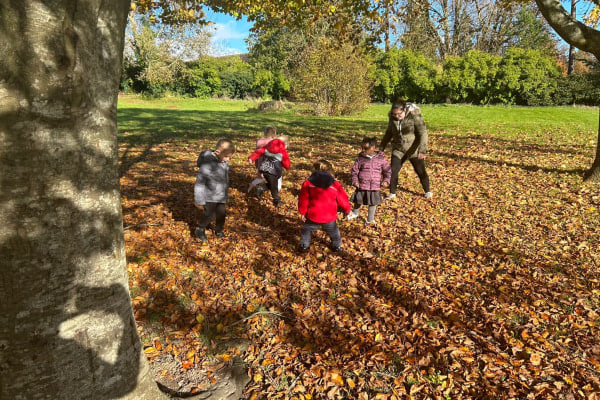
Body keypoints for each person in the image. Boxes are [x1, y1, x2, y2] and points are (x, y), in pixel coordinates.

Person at [380, 100, 432, 199]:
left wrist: (422, 150)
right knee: (393, 170)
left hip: (413, 149)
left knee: (420, 171)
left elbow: (423, 133)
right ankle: (392, 193)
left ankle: (427, 191)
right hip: (398, 148)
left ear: (405, 110)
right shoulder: (392, 118)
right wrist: (382, 146)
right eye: (394, 114)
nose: (397, 116)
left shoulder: (414, 116)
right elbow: (389, 133)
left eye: (399, 114)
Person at [297, 159, 351, 253]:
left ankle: (304, 246)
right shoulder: (335, 184)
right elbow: (343, 199)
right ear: (330, 170)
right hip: (329, 216)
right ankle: (336, 246)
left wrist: (302, 212)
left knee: (306, 229)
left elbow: (303, 199)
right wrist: (347, 210)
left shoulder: (308, 184)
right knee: (334, 232)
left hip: (313, 215)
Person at [194, 139, 235, 243]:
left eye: (229, 157)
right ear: (217, 152)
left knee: (221, 213)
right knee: (210, 214)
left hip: (220, 194)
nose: (227, 159)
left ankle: (219, 230)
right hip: (210, 195)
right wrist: (199, 198)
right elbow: (200, 181)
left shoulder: (223, 160)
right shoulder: (208, 163)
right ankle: (200, 228)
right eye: (226, 156)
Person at [348, 137, 391, 225]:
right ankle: (355, 213)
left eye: (366, 148)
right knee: (358, 200)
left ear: (373, 147)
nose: (364, 150)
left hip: (375, 185)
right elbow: (354, 171)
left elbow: (387, 170)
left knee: (373, 203)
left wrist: (386, 180)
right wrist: (355, 181)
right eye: (362, 148)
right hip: (362, 184)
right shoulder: (360, 159)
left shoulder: (381, 159)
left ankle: (370, 219)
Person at [248, 136, 290, 207]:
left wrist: (252, 158)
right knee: (274, 187)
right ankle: (276, 200)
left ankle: (261, 188)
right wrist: (287, 167)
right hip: (273, 172)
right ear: (284, 144)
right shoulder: (282, 151)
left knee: (272, 184)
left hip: (264, 169)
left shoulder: (267, 147)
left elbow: (259, 151)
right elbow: (286, 161)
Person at [248, 126, 278, 193]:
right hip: (269, 164)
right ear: (273, 134)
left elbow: (256, 153)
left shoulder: (260, 142)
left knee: (261, 178)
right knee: (270, 178)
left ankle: (253, 184)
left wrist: (253, 160)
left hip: (261, 163)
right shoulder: (272, 143)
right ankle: (261, 187)